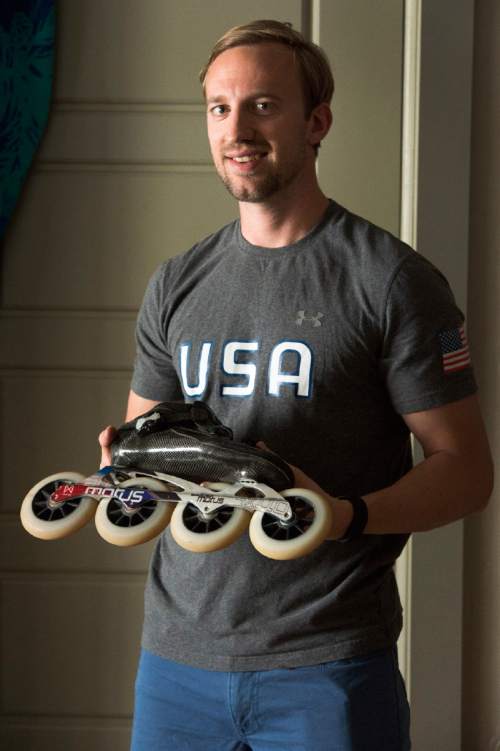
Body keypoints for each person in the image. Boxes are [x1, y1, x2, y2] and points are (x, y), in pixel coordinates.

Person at [99, 19, 493, 751]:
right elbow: (147, 458)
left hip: (328, 661)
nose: (237, 128)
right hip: (176, 665)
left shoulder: (391, 281)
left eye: (263, 105)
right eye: (219, 107)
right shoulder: (176, 284)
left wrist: (342, 514)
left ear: (317, 122)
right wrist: (125, 467)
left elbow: (467, 472)